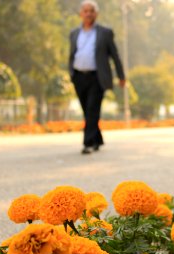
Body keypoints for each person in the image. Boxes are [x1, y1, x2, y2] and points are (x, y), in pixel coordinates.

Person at [69, 0, 125, 154]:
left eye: (91, 10)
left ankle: (87, 143)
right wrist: (71, 74)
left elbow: (115, 55)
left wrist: (121, 75)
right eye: (85, 11)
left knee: (93, 108)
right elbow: (72, 55)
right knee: (87, 111)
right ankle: (97, 139)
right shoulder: (74, 33)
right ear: (81, 13)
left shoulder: (105, 33)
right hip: (79, 76)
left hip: (97, 77)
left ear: (96, 13)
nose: (88, 14)